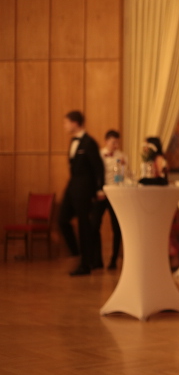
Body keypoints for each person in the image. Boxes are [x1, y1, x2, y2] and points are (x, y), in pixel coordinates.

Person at [58, 111, 105, 276]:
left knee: (84, 226)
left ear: (75, 123)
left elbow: (98, 168)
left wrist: (100, 189)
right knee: (62, 219)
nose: (64, 126)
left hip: (85, 190)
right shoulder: (73, 141)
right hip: (72, 187)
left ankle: (86, 264)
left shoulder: (89, 142)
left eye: (66, 122)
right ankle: (77, 253)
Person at [90, 130, 125, 270]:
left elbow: (123, 175)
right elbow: (94, 174)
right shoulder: (99, 154)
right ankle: (97, 259)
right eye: (113, 142)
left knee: (116, 227)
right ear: (106, 141)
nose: (115, 145)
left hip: (115, 194)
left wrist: (122, 170)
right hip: (101, 194)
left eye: (117, 143)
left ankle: (114, 260)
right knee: (94, 225)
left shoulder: (122, 156)